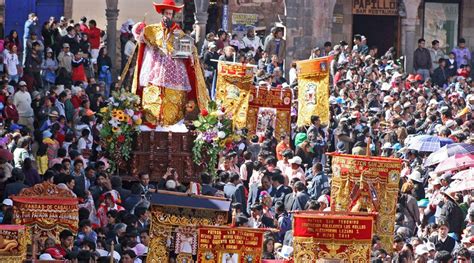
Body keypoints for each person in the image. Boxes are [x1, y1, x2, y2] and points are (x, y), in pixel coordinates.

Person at [131, 0, 209, 126]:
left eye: (170, 14)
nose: (168, 15)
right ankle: (152, 123)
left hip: (175, 75)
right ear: (162, 13)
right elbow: (139, 35)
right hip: (154, 71)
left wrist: (175, 30)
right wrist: (139, 27)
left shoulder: (178, 32)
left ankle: (173, 124)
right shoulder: (153, 30)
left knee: (173, 102)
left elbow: (188, 48)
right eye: (166, 13)